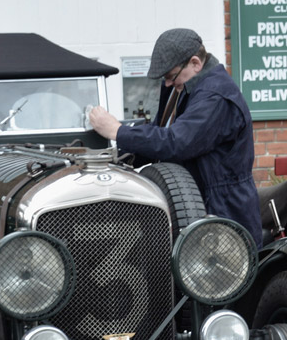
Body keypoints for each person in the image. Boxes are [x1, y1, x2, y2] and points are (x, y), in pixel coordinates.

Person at [88, 28, 261, 247]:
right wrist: (114, 157)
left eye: (171, 76)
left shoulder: (215, 97)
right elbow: (160, 130)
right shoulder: (184, 88)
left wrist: (117, 131)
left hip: (222, 212)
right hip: (195, 205)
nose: (168, 83)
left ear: (195, 63)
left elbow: (176, 142)